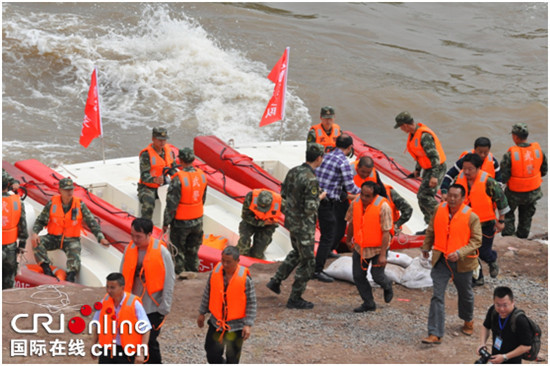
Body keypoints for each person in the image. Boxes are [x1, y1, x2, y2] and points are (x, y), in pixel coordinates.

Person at [265, 143, 326, 309]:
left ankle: (276, 280)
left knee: (297, 253)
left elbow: (283, 194)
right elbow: (310, 208)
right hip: (304, 225)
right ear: (319, 158)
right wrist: (320, 197)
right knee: (308, 261)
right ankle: (295, 297)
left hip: (291, 220)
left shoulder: (293, 171)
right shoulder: (311, 179)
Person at [421, 184, 482, 344]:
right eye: (450, 195)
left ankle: (468, 320)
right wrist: (426, 247)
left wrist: (460, 252)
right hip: (441, 259)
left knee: (465, 293)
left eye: (456, 196)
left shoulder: (471, 217)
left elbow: (476, 240)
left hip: (462, 262)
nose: (452, 199)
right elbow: (431, 230)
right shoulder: (438, 209)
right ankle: (435, 333)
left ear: (463, 198)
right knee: (437, 295)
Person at [31, 178, 109, 283]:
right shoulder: (52, 203)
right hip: (53, 237)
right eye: (66, 190)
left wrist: (101, 238)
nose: (69, 192)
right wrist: (35, 233)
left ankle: (70, 277)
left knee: (74, 253)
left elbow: (92, 222)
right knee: (37, 243)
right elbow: (41, 220)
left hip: (71, 239)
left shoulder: (80, 205)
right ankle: (47, 270)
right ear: (60, 190)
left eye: (71, 189)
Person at [120, 218, 175, 364]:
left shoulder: (162, 252)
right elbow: (121, 276)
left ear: (150, 234)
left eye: (139, 236)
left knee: (149, 341)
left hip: (153, 307)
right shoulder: (129, 249)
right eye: (132, 235)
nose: (135, 239)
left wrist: (164, 307)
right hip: (132, 307)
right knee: (131, 339)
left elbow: (170, 280)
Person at [455, 153, 510, 286]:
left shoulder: (489, 182)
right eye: (464, 168)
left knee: (483, 252)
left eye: (470, 169)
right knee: (470, 251)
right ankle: (477, 277)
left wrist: (501, 221)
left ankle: (492, 259)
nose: (466, 172)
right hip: (466, 222)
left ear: (478, 168)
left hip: (485, 223)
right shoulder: (459, 178)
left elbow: (501, 201)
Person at [197, 246, 257, 364]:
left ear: (237, 261)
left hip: (236, 327)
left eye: (228, 262)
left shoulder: (245, 280)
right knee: (211, 353)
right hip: (216, 323)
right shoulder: (215, 273)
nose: (225, 264)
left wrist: (248, 325)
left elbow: (251, 302)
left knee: (233, 358)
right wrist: (202, 313)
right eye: (222, 260)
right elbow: (207, 293)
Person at [314, 134, 360, 283]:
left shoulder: (325, 156)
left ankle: (327, 253)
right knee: (328, 235)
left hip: (317, 197)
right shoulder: (343, 162)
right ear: (350, 148)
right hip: (327, 202)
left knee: (331, 229)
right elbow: (351, 187)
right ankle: (317, 270)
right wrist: (367, 190)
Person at [394, 111, 447, 233]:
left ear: (405, 125)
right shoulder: (414, 135)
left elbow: (434, 157)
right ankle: (431, 226)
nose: (401, 129)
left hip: (436, 168)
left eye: (401, 127)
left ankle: (444, 219)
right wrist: (417, 170)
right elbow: (420, 154)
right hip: (428, 168)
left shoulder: (424, 136)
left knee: (425, 196)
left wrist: (434, 176)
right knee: (421, 197)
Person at [345, 181, 394, 313]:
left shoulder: (383, 207)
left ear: (374, 196)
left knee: (377, 275)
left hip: (378, 248)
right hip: (360, 247)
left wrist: (383, 255)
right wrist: (348, 240)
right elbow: (351, 222)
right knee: (358, 276)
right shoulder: (356, 203)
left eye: (368, 196)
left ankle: (387, 285)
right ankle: (368, 303)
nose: (364, 198)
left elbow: (386, 232)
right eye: (362, 194)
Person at [162, 147, 207, 275]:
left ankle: (180, 278)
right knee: (193, 251)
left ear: (179, 160)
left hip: (181, 223)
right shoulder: (202, 176)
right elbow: (202, 199)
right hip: (198, 221)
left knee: (178, 252)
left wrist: (166, 223)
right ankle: (194, 276)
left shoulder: (178, 179)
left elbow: (171, 205)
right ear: (193, 159)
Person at [91, 272, 152, 364]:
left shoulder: (134, 304)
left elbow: (146, 329)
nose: (109, 290)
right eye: (107, 287)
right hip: (107, 351)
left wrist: (141, 353)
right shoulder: (104, 302)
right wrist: (93, 344)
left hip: (127, 352)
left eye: (112, 287)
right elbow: (97, 324)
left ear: (122, 287)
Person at [500, 123, 547, 239]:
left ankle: (508, 237)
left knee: (508, 214)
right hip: (533, 192)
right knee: (526, 217)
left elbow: (504, 177)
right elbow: (544, 171)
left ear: (515, 137)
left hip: (514, 193)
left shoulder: (510, 155)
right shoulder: (538, 151)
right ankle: (522, 238)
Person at [352, 156, 413, 233]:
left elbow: (408, 209)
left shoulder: (390, 193)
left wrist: (397, 225)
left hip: (389, 228)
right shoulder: (362, 197)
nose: (365, 197)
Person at [478, 286, 533, 364]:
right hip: (495, 358)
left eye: (505, 305)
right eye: (498, 305)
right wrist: (482, 343)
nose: (501, 309)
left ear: (513, 302)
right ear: (494, 302)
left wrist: (504, 357)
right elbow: (486, 326)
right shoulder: (493, 311)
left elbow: (526, 346)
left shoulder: (520, 320)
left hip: (512, 361)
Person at [138, 127, 178, 220]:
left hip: (165, 185)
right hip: (148, 187)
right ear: (153, 139)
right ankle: (145, 228)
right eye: (160, 140)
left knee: (178, 199)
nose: (162, 142)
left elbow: (172, 169)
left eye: (164, 140)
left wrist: (177, 179)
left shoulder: (169, 151)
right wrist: (155, 180)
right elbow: (144, 176)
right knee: (149, 203)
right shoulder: (146, 154)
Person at [236, 189, 283, 259]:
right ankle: (243, 255)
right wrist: (261, 223)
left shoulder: (281, 202)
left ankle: (264, 243)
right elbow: (245, 216)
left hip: (267, 226)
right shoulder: (250, 197)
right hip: (251, 222)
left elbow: (293, 214)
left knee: (257, 255)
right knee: (243, 246)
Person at [2, 174, 28, 289]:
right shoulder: (17, 202)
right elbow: (23, 225)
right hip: (10, 249)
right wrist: (22, 244)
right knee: (8, 280)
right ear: (8, 185)